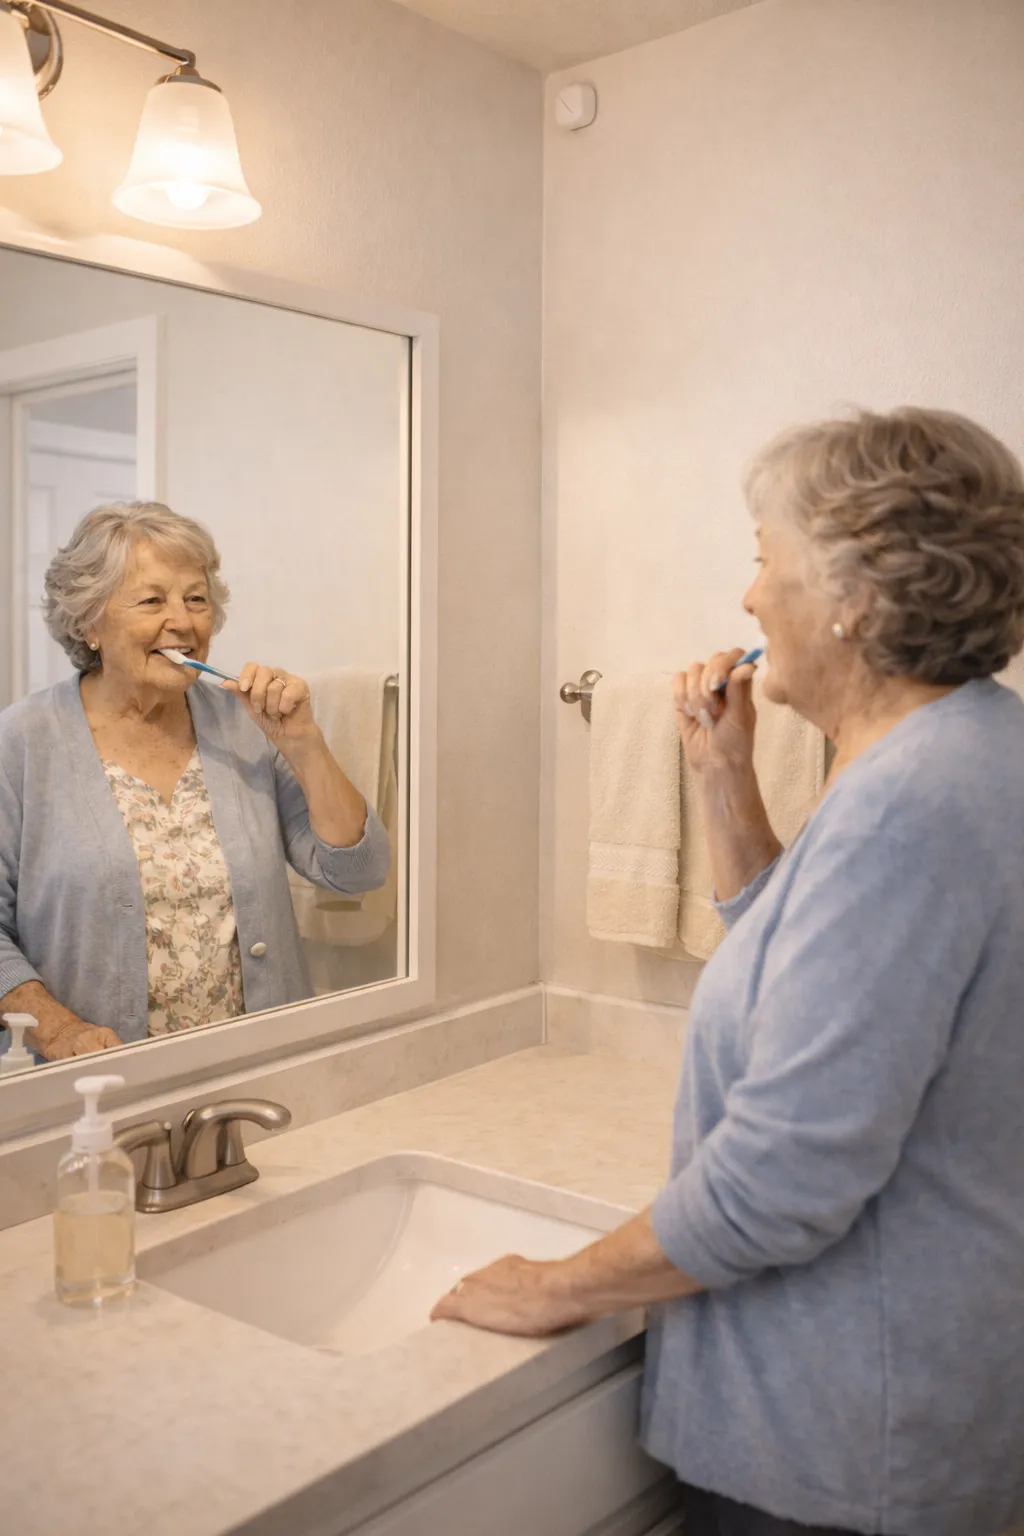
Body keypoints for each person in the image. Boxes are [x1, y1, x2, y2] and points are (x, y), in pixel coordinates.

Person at [432, 408, 1024, 1536]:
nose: (749, 598)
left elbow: (781, 1183)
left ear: (853, 595)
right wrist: (719, 773)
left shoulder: (906, 805)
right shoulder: (969, 747)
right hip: (917, 1389)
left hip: (841, 1443)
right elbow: (803, 951)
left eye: (764, 560)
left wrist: (549, 1286)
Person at [0, 501, 389, 1059]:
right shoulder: (21, 742)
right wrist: (59, 1030)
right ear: (89, 622)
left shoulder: (247, 727)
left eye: (196, 599)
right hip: (96, 1090)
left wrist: (304, 744)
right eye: (153, 600)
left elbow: (358, 872)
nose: (183, 621)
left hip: (258, 1072)